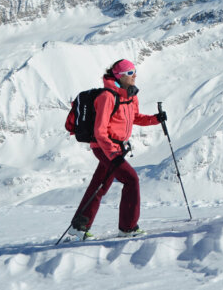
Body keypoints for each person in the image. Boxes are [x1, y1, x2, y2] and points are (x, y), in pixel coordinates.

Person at [70, 59, 166, 239]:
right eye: (130, 73)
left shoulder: (130, 96)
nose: (134, 75)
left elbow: (135, 117)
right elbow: (100, 131)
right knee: (131, 180)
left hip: (116, 148)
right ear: (120, 76)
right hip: (105, 147)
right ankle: (128, 228)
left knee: (100, 186)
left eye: (134, 71)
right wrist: (112, 153)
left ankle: (79, 226)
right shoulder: (107, 97)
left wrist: (155, 119)